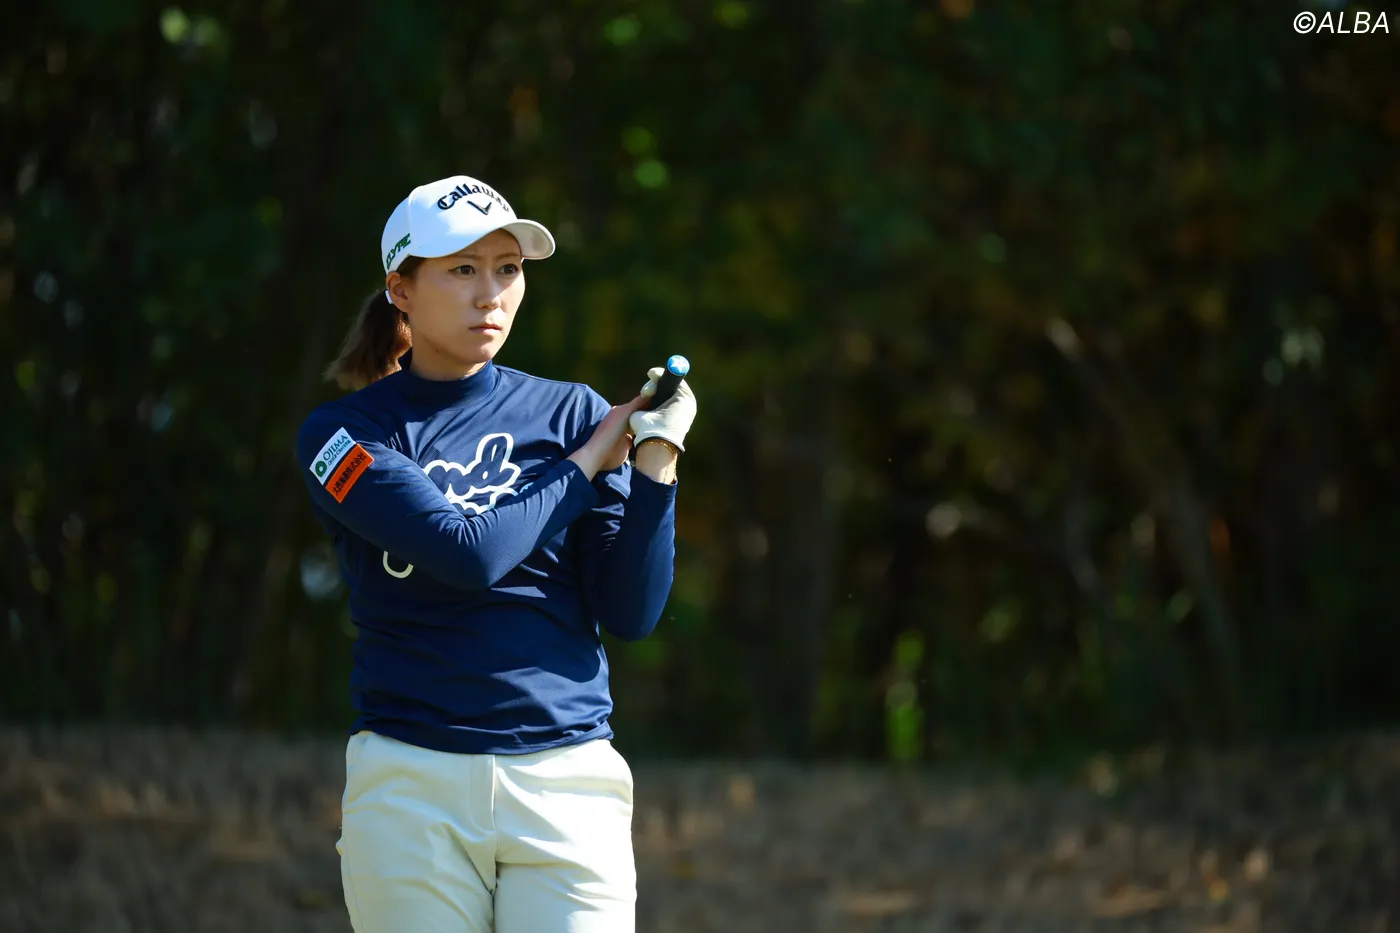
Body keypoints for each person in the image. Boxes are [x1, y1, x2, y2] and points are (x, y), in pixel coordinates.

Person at [294, 173, 697, 933]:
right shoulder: (341, 436)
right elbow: (466, 555)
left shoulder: (573, 413)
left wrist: (655, 462)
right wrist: (588, 462)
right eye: (462, 269)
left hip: (567, 782)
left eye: (507, 269)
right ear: (401, 290)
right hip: (409, 786)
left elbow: (631, 612)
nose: (491, 294)